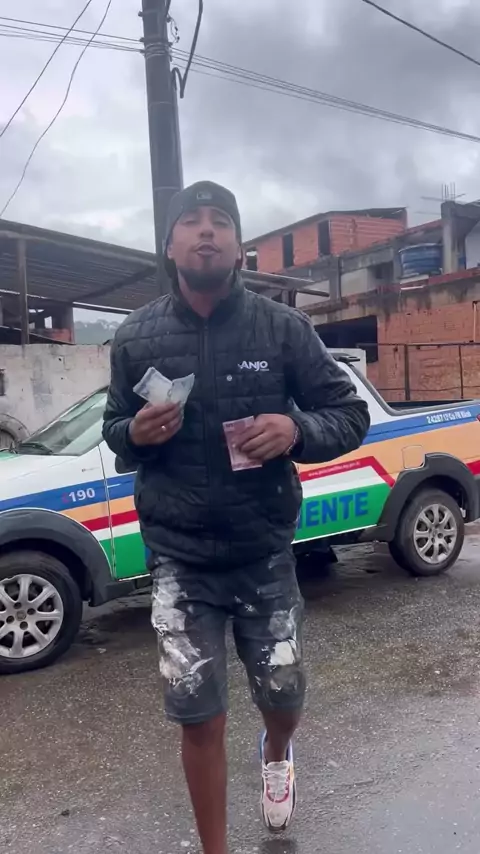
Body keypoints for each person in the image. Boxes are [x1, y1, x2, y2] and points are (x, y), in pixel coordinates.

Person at [102, 181, 370, 854]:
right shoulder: (135, 336)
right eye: (191, 221)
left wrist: (295, 429)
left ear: (239, 246)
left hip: (262, 550)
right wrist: (135, 432)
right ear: (169, 245)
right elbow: (114, 431)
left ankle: (277, 751)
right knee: (198, 715)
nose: (206, 231)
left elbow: (349, 413)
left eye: (220, 221)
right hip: (180, 558)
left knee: (283, 695)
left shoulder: (282, 329)